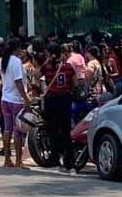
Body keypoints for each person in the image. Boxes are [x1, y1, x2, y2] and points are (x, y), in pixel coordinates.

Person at [41, 42, 77, 172]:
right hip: (65, 100)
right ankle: (70, 164)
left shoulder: (47, 67)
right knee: (66, 132)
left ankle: (55, 161)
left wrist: (46, 61)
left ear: (50, 53)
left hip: (52, 100)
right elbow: (75, 82)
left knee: (53, 131)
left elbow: (35, 75)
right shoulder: (68, 66)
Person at [0, 40, 30, 169]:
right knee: (18, 131)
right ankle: (18, 161)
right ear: (16, 48)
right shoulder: (16, 61)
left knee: (7, 129)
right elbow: (18, 81)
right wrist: (26, 98)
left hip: (5, 98)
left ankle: (7, 159)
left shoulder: (3, 60)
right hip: (16, 100)